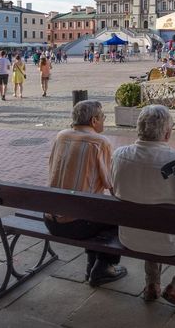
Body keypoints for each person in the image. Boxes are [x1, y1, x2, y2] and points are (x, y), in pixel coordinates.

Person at [111, 105, 175, 309]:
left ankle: (152, 284)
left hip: (130, 236)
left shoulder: (119, 155)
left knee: (147, 220)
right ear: (168, 133)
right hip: (170, 242)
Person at [44, 100, 127, 286]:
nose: (104, 120)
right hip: (77, 224)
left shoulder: (61, 136)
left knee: (93, 208)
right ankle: (104, 266)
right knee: (119, 215)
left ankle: (92, 264)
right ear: (94, 120)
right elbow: (111, 185)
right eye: (103, 117)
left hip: (50, 219)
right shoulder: (100, 142)